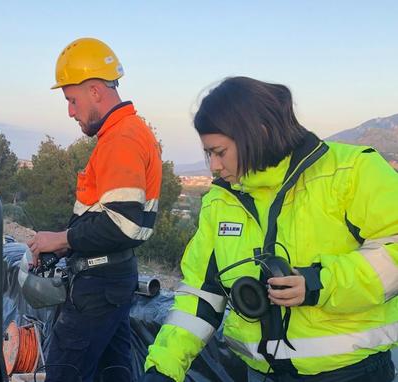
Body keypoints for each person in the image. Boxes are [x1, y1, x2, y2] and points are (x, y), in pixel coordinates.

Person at [141, 76, 398, 381]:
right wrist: (164, 367)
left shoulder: (353, 171)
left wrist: (320, 283)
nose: (213, 167)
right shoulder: (220, 201)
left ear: (259, 133)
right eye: (208, 154)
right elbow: (200, 295)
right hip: (258, 373)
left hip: (352, 372)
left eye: (220, 152)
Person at [27, 37, 162, 382]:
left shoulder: (121, 140)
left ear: (95, 91)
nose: (70, 111)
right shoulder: (124, 133)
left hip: (99, 286)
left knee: (64, 372)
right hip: (111, 279)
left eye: (72, 100)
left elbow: (123, 225)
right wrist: (65, 244)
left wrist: (59, 239)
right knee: (114, 371)